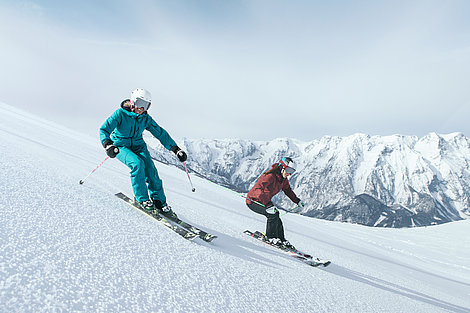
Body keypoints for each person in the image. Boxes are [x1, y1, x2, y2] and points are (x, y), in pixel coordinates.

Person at [99, 88, 187, 217]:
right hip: (120, 146)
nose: (142, 108)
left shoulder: (145, 118)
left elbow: (160, 133)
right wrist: (108, 144)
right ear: (133, 101)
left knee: (151, 171)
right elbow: (104, 129)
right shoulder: (120, 114)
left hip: (139, 146)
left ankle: (159, 202)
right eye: (140, 103)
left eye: (146, 105)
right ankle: (142, 199)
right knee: (137, 164)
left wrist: (175, 149)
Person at [246, 157, 305, 249]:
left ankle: (281, 239)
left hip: (265, 201)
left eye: (292, 171)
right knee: (272, 215)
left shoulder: (283, 179)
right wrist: (267, 204)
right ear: (282, 167)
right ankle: (270, 237)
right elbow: (258, 190)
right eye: (289, 170)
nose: (289, 174)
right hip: (253, 201)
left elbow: (288, 190)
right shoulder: (269, 176)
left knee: (276, 214)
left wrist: (297, 201)